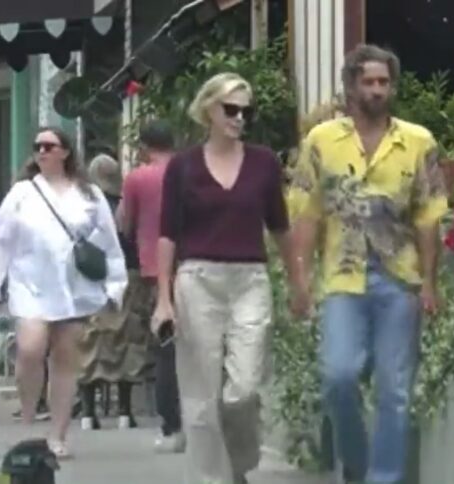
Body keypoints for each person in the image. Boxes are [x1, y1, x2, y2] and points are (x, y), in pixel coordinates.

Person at [289, 44, 448, 484]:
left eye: (384, 82)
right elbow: (306, 214)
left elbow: (429, 216)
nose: (377, 90)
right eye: (369, 82)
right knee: (338, 376)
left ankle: (385, 478)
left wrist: (430, 284)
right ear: (351, 86)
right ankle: (357, 465)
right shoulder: (321, 142)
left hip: (400, 280)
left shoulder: (418, 142)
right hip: (343, 277)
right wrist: (300, 280)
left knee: (394, 390)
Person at [152, 72, 302, 484]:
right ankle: (211, 479)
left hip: (250, 279)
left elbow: (280, 227)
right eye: (231, 109)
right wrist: (163, 298)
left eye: (246, 112)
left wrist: (297, 282)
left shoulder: (264, 163)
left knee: (244, 389)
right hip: (197, 278)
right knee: (201, 393)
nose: (239, 118)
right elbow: (167, 233)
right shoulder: (183, 166)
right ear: (209, 110)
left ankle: (238, 464)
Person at [0, 127, 128, 459]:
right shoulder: (22, 193)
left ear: (66, 151)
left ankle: (58, 434)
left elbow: (108, 242)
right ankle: (29, 419)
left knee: (65, 358)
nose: (42, 152)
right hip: (30, 284)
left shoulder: (89, 194)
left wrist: (115, 285)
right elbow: (0, 240)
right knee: (30, 348)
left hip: (74, 287)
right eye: (38, 147)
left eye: (49, 146)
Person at [116, 120, 184, 453]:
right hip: (193, 265)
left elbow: (124, 224)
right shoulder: (189, 172)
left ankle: (172, 425)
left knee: (165, 349)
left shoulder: (137, 178)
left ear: (143, 146)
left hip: (153, 270)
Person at [76, 153, 147, 430]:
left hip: (89, 277)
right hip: (126, 276)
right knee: (126, 340)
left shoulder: (82, 206)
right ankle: (125, 413)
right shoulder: (125, 206)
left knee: (88, 341)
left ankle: (87, 413)